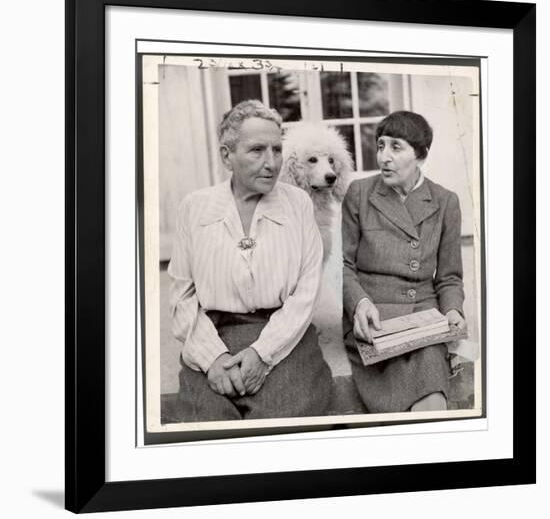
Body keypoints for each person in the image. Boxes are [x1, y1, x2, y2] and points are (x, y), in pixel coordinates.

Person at [168, 100, 331, 421]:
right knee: (206, 422)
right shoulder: (195, 207)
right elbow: (182, 297)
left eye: (277, 149)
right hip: (213, 334)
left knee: (286, 420)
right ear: (226, 155)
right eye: (257, 150)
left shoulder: (297, 204)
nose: (271, 163)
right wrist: (212, 358)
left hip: (285, 336)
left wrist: (262, 353)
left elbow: (307, 291)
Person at [342, 110, 466, 413]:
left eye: (396, 147)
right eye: (381, 145)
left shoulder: (445, 201)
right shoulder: (360, 193)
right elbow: (343, 266)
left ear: (421, 155)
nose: (384, 156)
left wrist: (452, 310)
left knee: (431, 402)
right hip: (371, 317)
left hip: (422, 319)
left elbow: (449, 277)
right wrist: (359, 304)